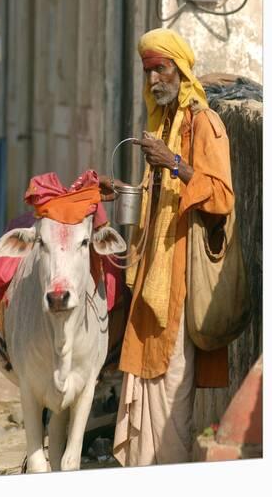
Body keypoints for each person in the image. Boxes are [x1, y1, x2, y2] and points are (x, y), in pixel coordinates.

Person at [99, 28, 235, 466]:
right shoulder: (161, 126)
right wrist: (118, 190)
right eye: (148, 71)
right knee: (147, 388)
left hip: (180, 285)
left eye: (162, 68)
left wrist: (174, 164)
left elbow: (222, 198)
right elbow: (156, 201)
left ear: (179, 69)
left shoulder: (205, 124)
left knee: (171, 396)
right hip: (150, 279)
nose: (155, 79)